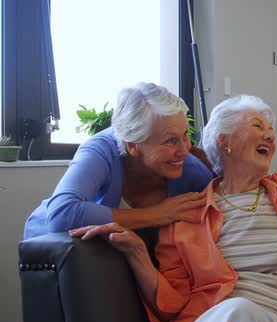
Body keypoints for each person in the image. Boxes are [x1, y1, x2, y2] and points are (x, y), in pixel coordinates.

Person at [71, 95, 277, 322]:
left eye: (271, 131)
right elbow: (171, 303)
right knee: (234, 313)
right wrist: (136, 251)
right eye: (257, 126)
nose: (271, 136)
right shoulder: (188, 216)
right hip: (215, 320)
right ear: (224, 142)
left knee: (238, 311)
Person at [24, 82, 214, 240]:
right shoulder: (100, 150)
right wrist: (158, 214)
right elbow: (61, 214)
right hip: (55, 251)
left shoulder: (189, 169)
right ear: (132, 145)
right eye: (170, 140)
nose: (184, 150)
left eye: (185, 135)